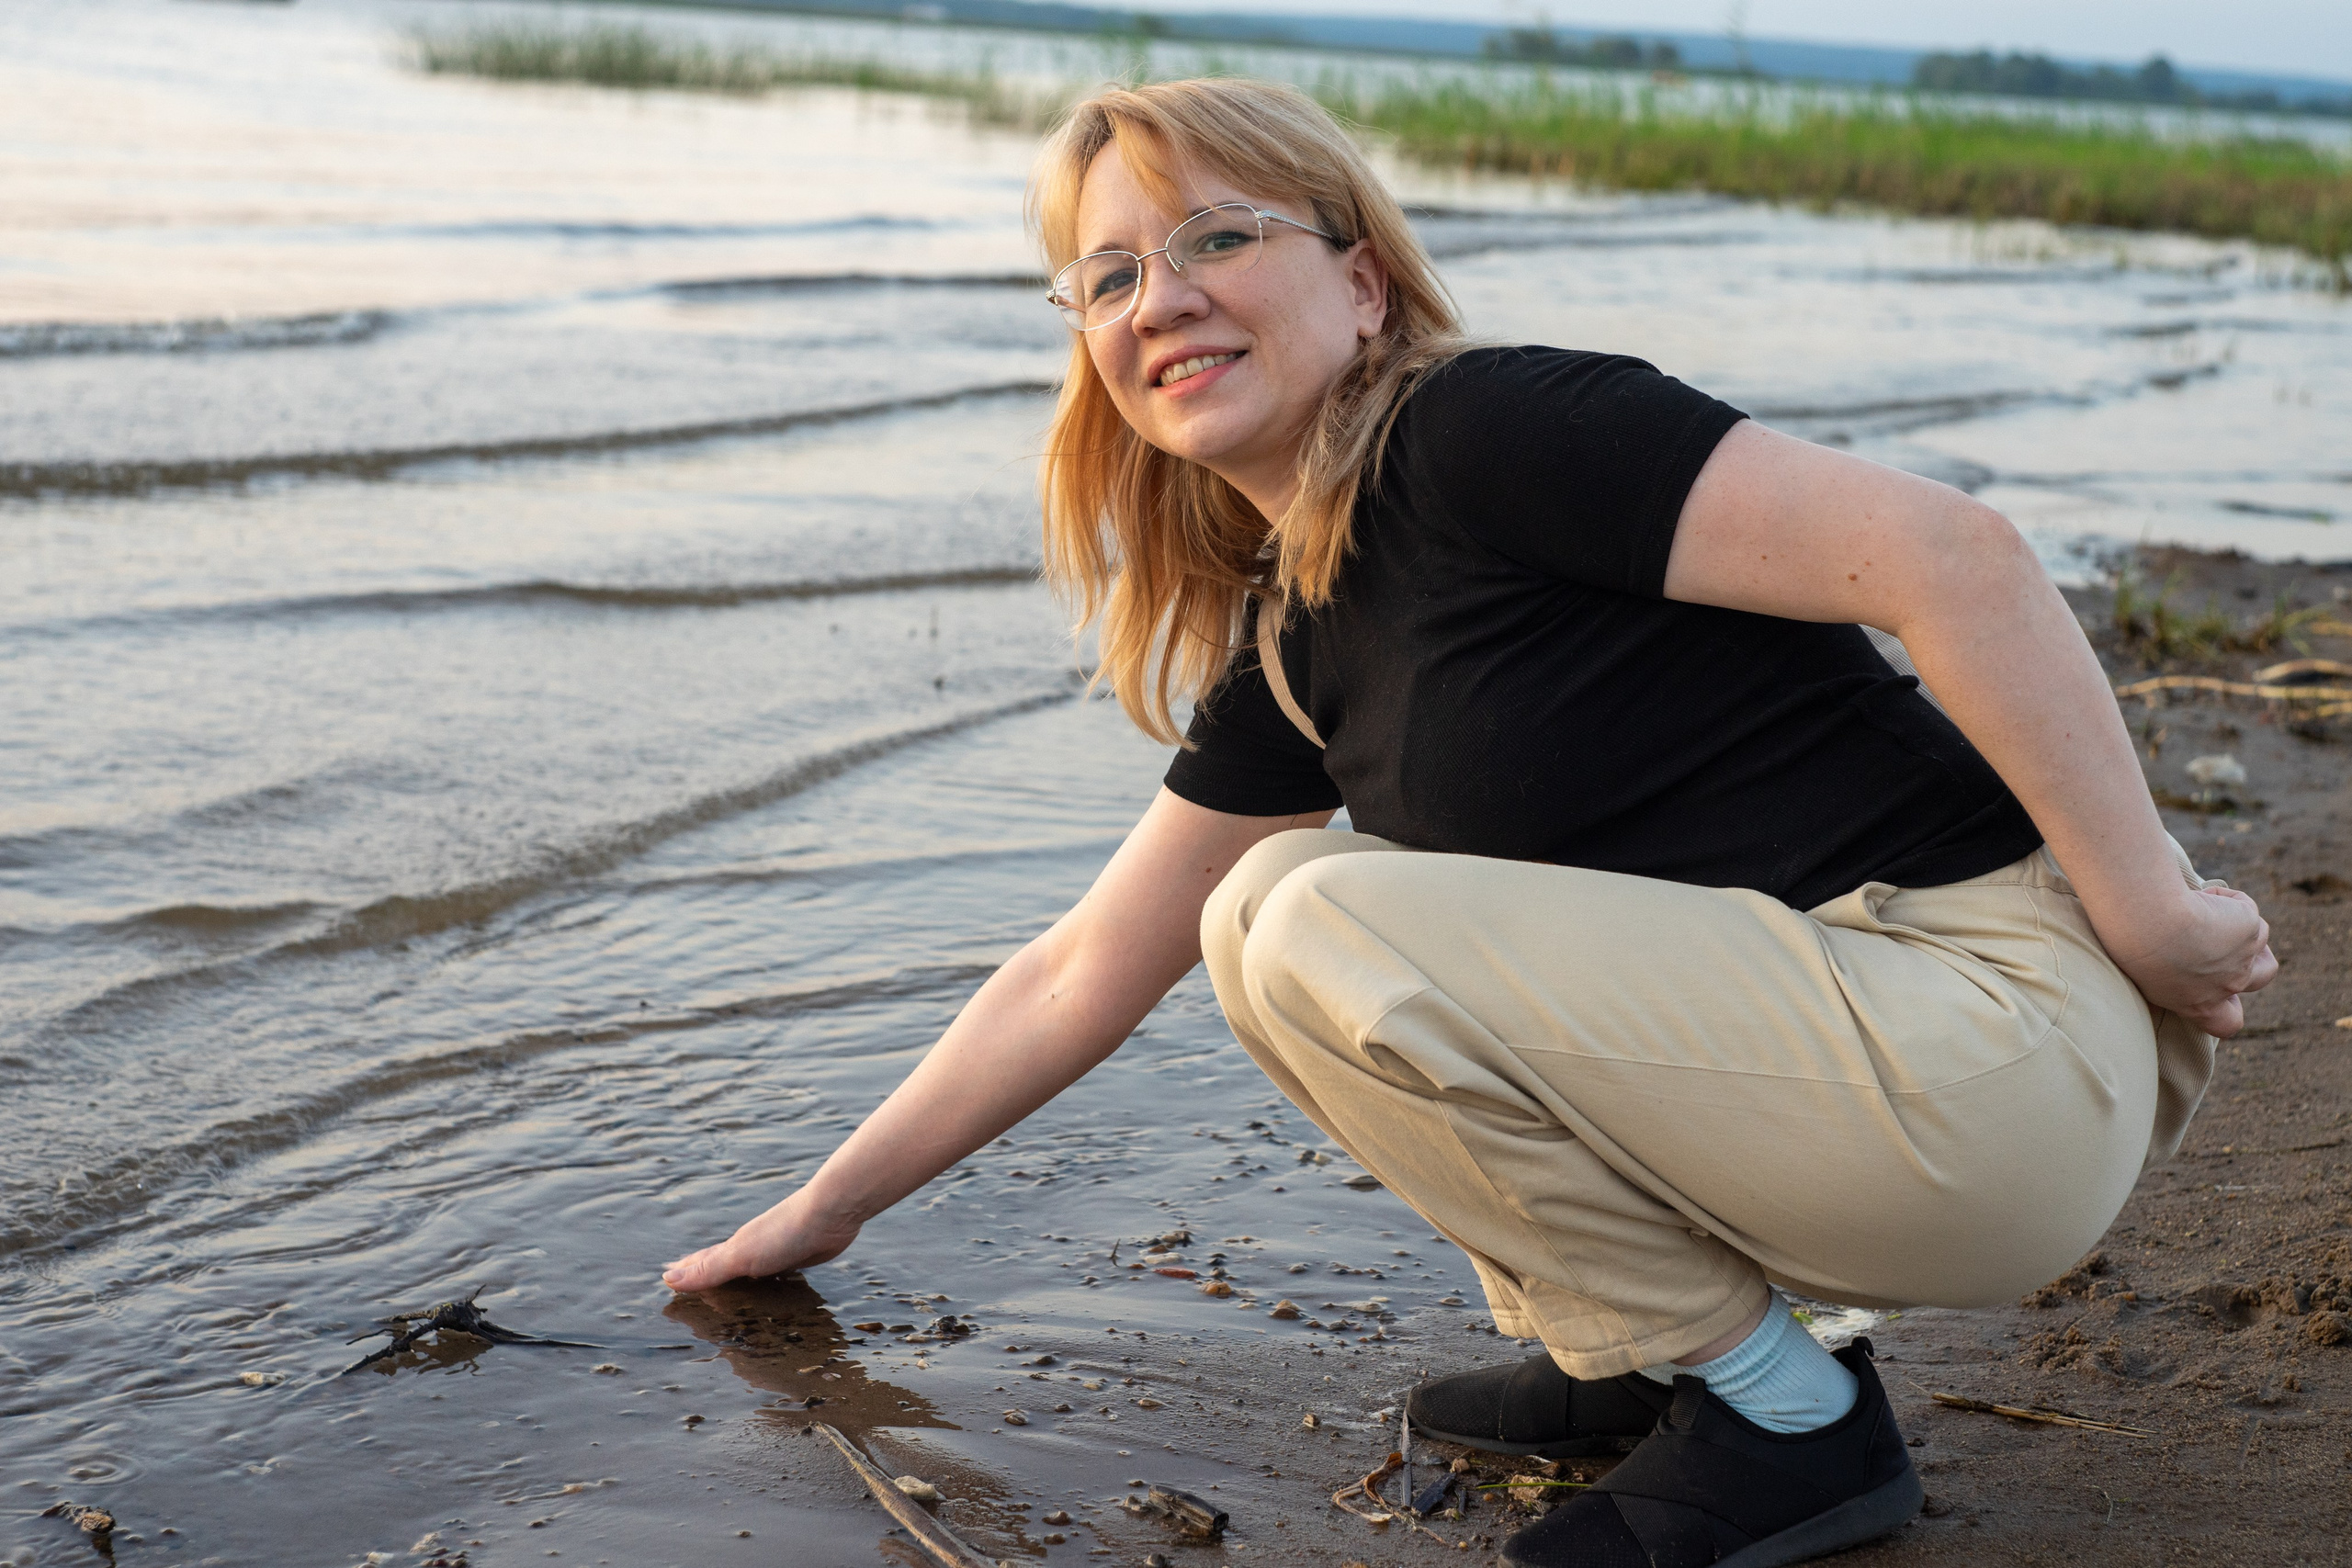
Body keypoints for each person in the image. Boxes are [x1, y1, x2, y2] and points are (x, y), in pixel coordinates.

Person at [662, 77, 2277, 1566]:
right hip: (1882, 1066)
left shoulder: (1491, 429)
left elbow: (1956, 559)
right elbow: (1083, 968)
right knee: (1260, 919)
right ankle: (1658, 1353)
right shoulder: (1296, 636)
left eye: (1216, 237)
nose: (1160, 298)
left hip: (1997, 1047)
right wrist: (825, 1211)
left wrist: (2150, 911)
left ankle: (1788, 1418)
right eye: (1108, 276)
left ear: (1362, 284)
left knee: (1292, 912)